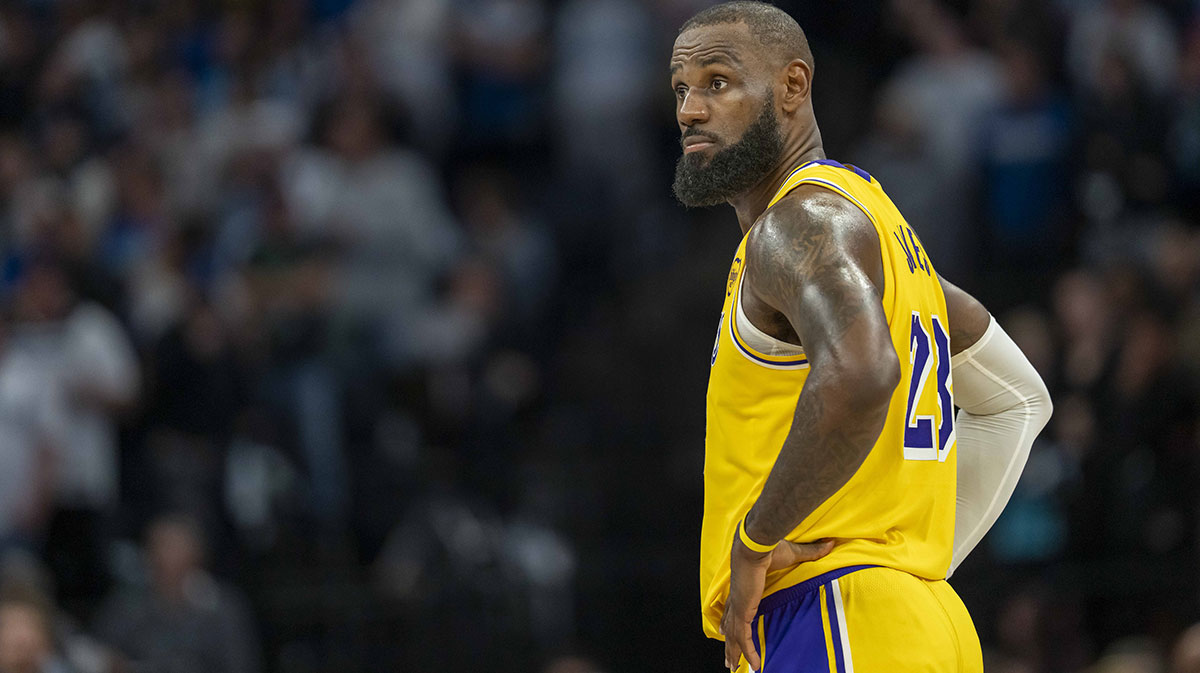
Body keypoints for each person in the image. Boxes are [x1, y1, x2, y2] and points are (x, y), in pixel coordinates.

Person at [670, 3, 1054, 671]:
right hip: (911, 617)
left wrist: (755, 541)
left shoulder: (798, 224)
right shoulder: (877, 234)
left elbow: (862, 371)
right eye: (681, 89)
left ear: (793, 85)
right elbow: (1017, 399)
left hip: (835, 615)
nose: (689, 110)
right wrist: (912, 561)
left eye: (717, 82)